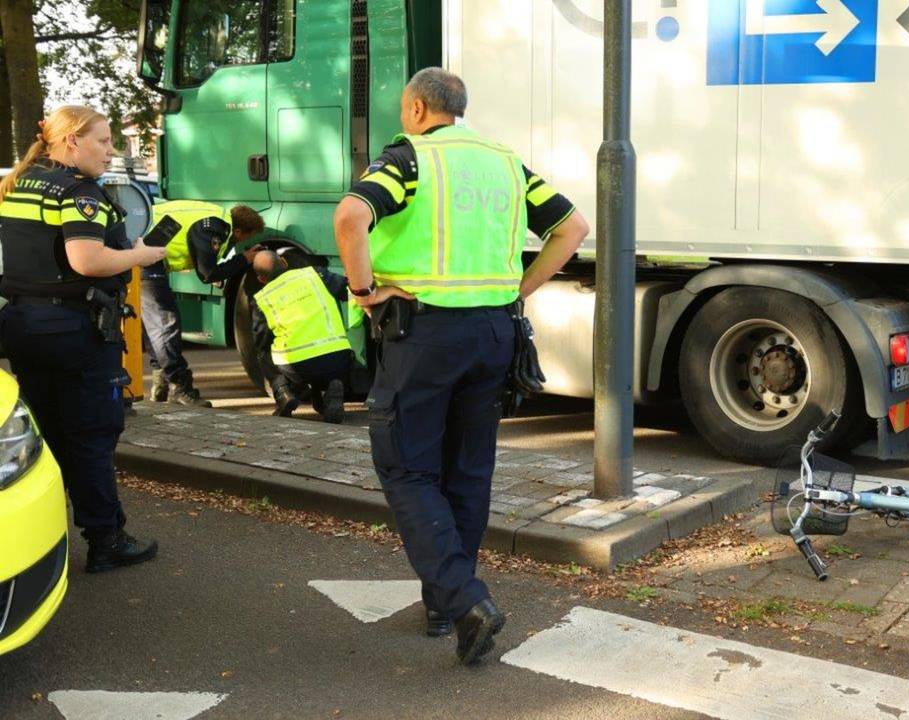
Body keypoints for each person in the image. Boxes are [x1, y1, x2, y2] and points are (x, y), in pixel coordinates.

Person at [334, 67, 589, 664]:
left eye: (404, 109)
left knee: (408, 471)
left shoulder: (410, 159)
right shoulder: (505, 162)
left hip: (425, 335)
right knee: (468, 472)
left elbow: (350, 218)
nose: (404, 119)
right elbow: (572, 227)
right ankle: (442, 605)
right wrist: (517, 288)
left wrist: (365, 288)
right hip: (493, 334)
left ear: (420, 108)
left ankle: (463, 601)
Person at [0, 105, 168, 572]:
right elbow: (87, 261)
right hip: (75, 331)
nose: (110, 150)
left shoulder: (18, 182)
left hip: (24, 327)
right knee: (91, 435)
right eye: (103, 140)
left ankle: (42, 540)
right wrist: (138, 253)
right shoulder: (79, 192)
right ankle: (105, 539)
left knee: (47, 434)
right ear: (72, 141)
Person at [140, 202, 266, 405]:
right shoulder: (214, 227)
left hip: (144, 250)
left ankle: (160, 384)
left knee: (157, 324)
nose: (242, 244)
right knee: (165, 324)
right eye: (245, 239)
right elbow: (207, 274)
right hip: (144, 257)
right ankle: (180, 388)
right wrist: (243, 259)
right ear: (239, 230)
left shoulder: (216, 216)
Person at [249, 250, 352, 423]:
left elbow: (261, 342)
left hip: (298, 368)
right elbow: (347, 290)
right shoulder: (315, 274)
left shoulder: (262, 299)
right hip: (339, 359)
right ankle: (332, 386)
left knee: (263, 352)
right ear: (284, 262)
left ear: (261, 279)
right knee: (324, 362)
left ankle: (283, 393)